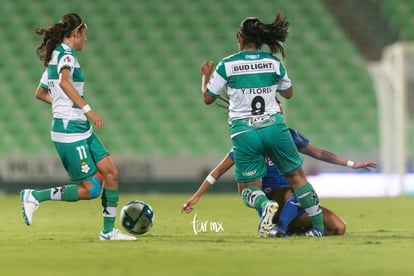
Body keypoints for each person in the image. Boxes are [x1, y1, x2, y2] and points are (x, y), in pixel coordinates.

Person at [200, 10, 329, 237]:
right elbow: (288, 94)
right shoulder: (273, 62)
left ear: (240, 38)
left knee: (249, 189)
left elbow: (208, 99)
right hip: (273, 127)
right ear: (261, 39)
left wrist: (205, 77)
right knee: (298, 179)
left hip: (244, 132)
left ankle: (264, 206)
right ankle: (318, 229)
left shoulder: (227, 65)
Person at [20, 13, 136, 241]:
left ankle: (108, 232)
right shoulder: (65, 53)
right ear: (76, 33)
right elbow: (63, 82)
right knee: (91, 189)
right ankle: (35, 196)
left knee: (111, 173)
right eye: (85, 34)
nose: (86, 39)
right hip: (69, 130)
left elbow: (40, 93)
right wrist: (87, 109)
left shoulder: (57, 55)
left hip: (79, 126)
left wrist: (66, 106)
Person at [182, 128, 378, 236]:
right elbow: (219, 170)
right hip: (274, 200)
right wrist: (195, 197)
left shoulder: (289, 136)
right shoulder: (249, 141)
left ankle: (292, 232)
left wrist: (353, 164)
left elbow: (319, 153)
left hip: (297, 204)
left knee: (338, 228)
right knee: (296, 188)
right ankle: (279, 226)